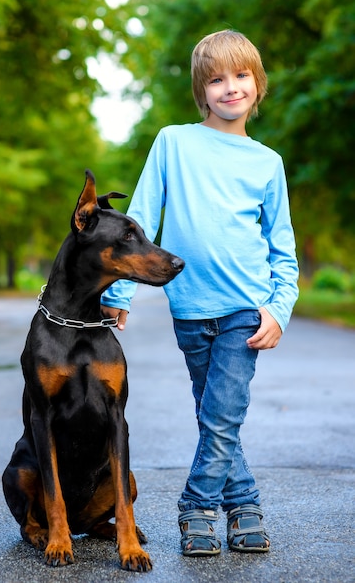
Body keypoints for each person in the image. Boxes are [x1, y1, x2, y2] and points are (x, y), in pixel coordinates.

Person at [101, 29, 299, 557]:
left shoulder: (267, 163)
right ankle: (246, 503)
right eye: (216, 79)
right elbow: (139, 221)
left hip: (245, 308)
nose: (230, 88)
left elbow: (283, 250)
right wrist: (119, 293)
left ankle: (197, 507)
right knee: (214, 412)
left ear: (257, 85)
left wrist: (278, 308)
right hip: (189, 306)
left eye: (241, 77)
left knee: (221, 413)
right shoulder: (173, 142)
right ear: (201, 90)